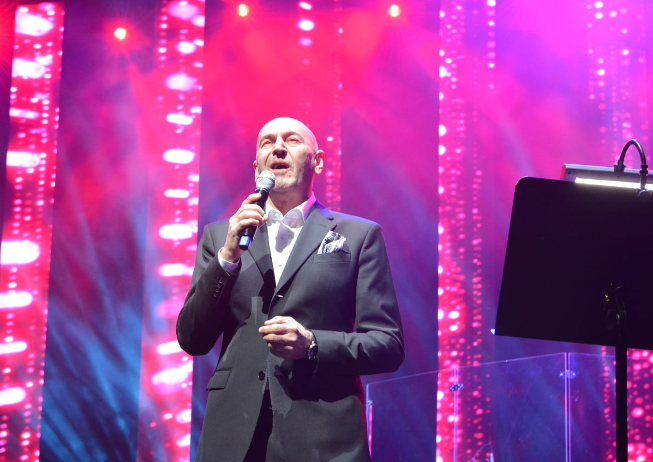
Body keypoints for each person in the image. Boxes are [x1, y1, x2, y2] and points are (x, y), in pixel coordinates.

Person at [177, 117, 404, 462]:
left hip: (324, 439)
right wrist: (227, 258)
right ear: (257, 168)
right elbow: (192, 339)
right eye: (267, 142)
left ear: (318, 161)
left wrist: (313, 344)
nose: (279, 148)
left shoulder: (359, 236)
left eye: (292, 140)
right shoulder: (221, 237)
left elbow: (388, 344)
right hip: (233, 438)